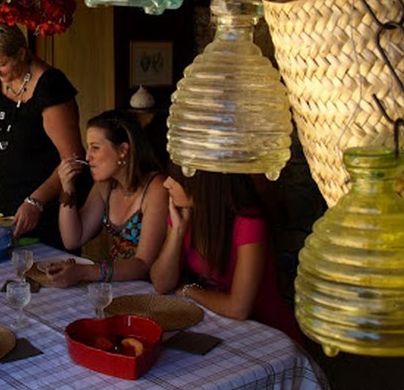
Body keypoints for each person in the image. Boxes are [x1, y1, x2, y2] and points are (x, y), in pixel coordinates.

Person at [150, 164, 303, 342]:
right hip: (218, 324)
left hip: (265, 332)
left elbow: (238, 308)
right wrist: (177, 231)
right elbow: (161, 283)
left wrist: (188, 290)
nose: (166, 183)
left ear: (204, 184)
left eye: (176, 179)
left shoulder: (249, 223)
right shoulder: (185, 215)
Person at [0, 24, 86, 247]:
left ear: (22, 53)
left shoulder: (50, 87)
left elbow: (72, 158)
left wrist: (37, 201)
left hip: (48, 202)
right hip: (8, 200)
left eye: (1, 64)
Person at [44, 110, 169, 286]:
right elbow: (72, 239)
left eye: (95, 148)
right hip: (118, 285)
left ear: (123, 151)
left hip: (151, 291)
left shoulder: (156, 188)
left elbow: (143, 264)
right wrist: (67, 187)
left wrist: (85, 272)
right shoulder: (106, 185)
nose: (87, 157)